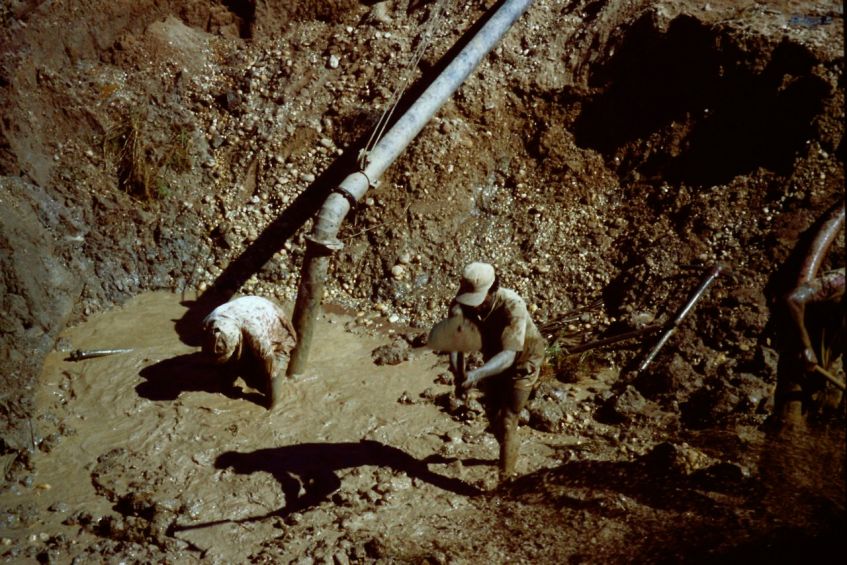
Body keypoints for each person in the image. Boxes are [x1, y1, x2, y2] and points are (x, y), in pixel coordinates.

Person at [447, 262, 547, 483]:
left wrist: (475, 375)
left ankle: (506, 479)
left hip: (523, 360)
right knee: (493, 413)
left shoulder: (513, 306)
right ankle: (508, 447)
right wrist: (459, 374)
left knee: (508, 419)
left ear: (492, 291)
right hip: (493, 358)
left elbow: (510, 356)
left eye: (479, 298)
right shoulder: (460, 305)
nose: (473, 305)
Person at [202, 295, 297, 409]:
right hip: (244, 308)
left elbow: (272, 370)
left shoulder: (256, 335)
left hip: (272, 319)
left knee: (271, 381)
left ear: (239, 340)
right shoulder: (208, 323)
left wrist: (271, 404)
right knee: (231, 365)